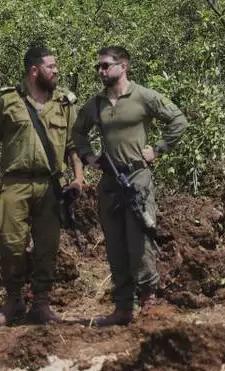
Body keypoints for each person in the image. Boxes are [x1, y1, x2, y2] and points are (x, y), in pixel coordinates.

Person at [72, 46, 188, 326]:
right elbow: (77, 131)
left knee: (140, 241)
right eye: (98, 67)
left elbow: (178, 120)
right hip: (110, 181)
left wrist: (157, 149)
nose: (101, 71)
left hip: (137, 178)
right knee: (115, 244)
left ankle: (148, 302)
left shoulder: (143, 96)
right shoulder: (96, 104)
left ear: (123, 66)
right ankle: (123, 307)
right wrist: (88, 156)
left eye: (105, 66)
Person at [0, 46, 84, 327]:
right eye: (51, 66)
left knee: (47, 247)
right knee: (10, 245)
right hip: (14, 184)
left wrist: (78, 178)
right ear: (34, 71)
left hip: (51, 185)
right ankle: (13, 300)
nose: (56, 71)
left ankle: (41, 303)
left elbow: (74, 145)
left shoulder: (64, 103)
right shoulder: (8, 101)